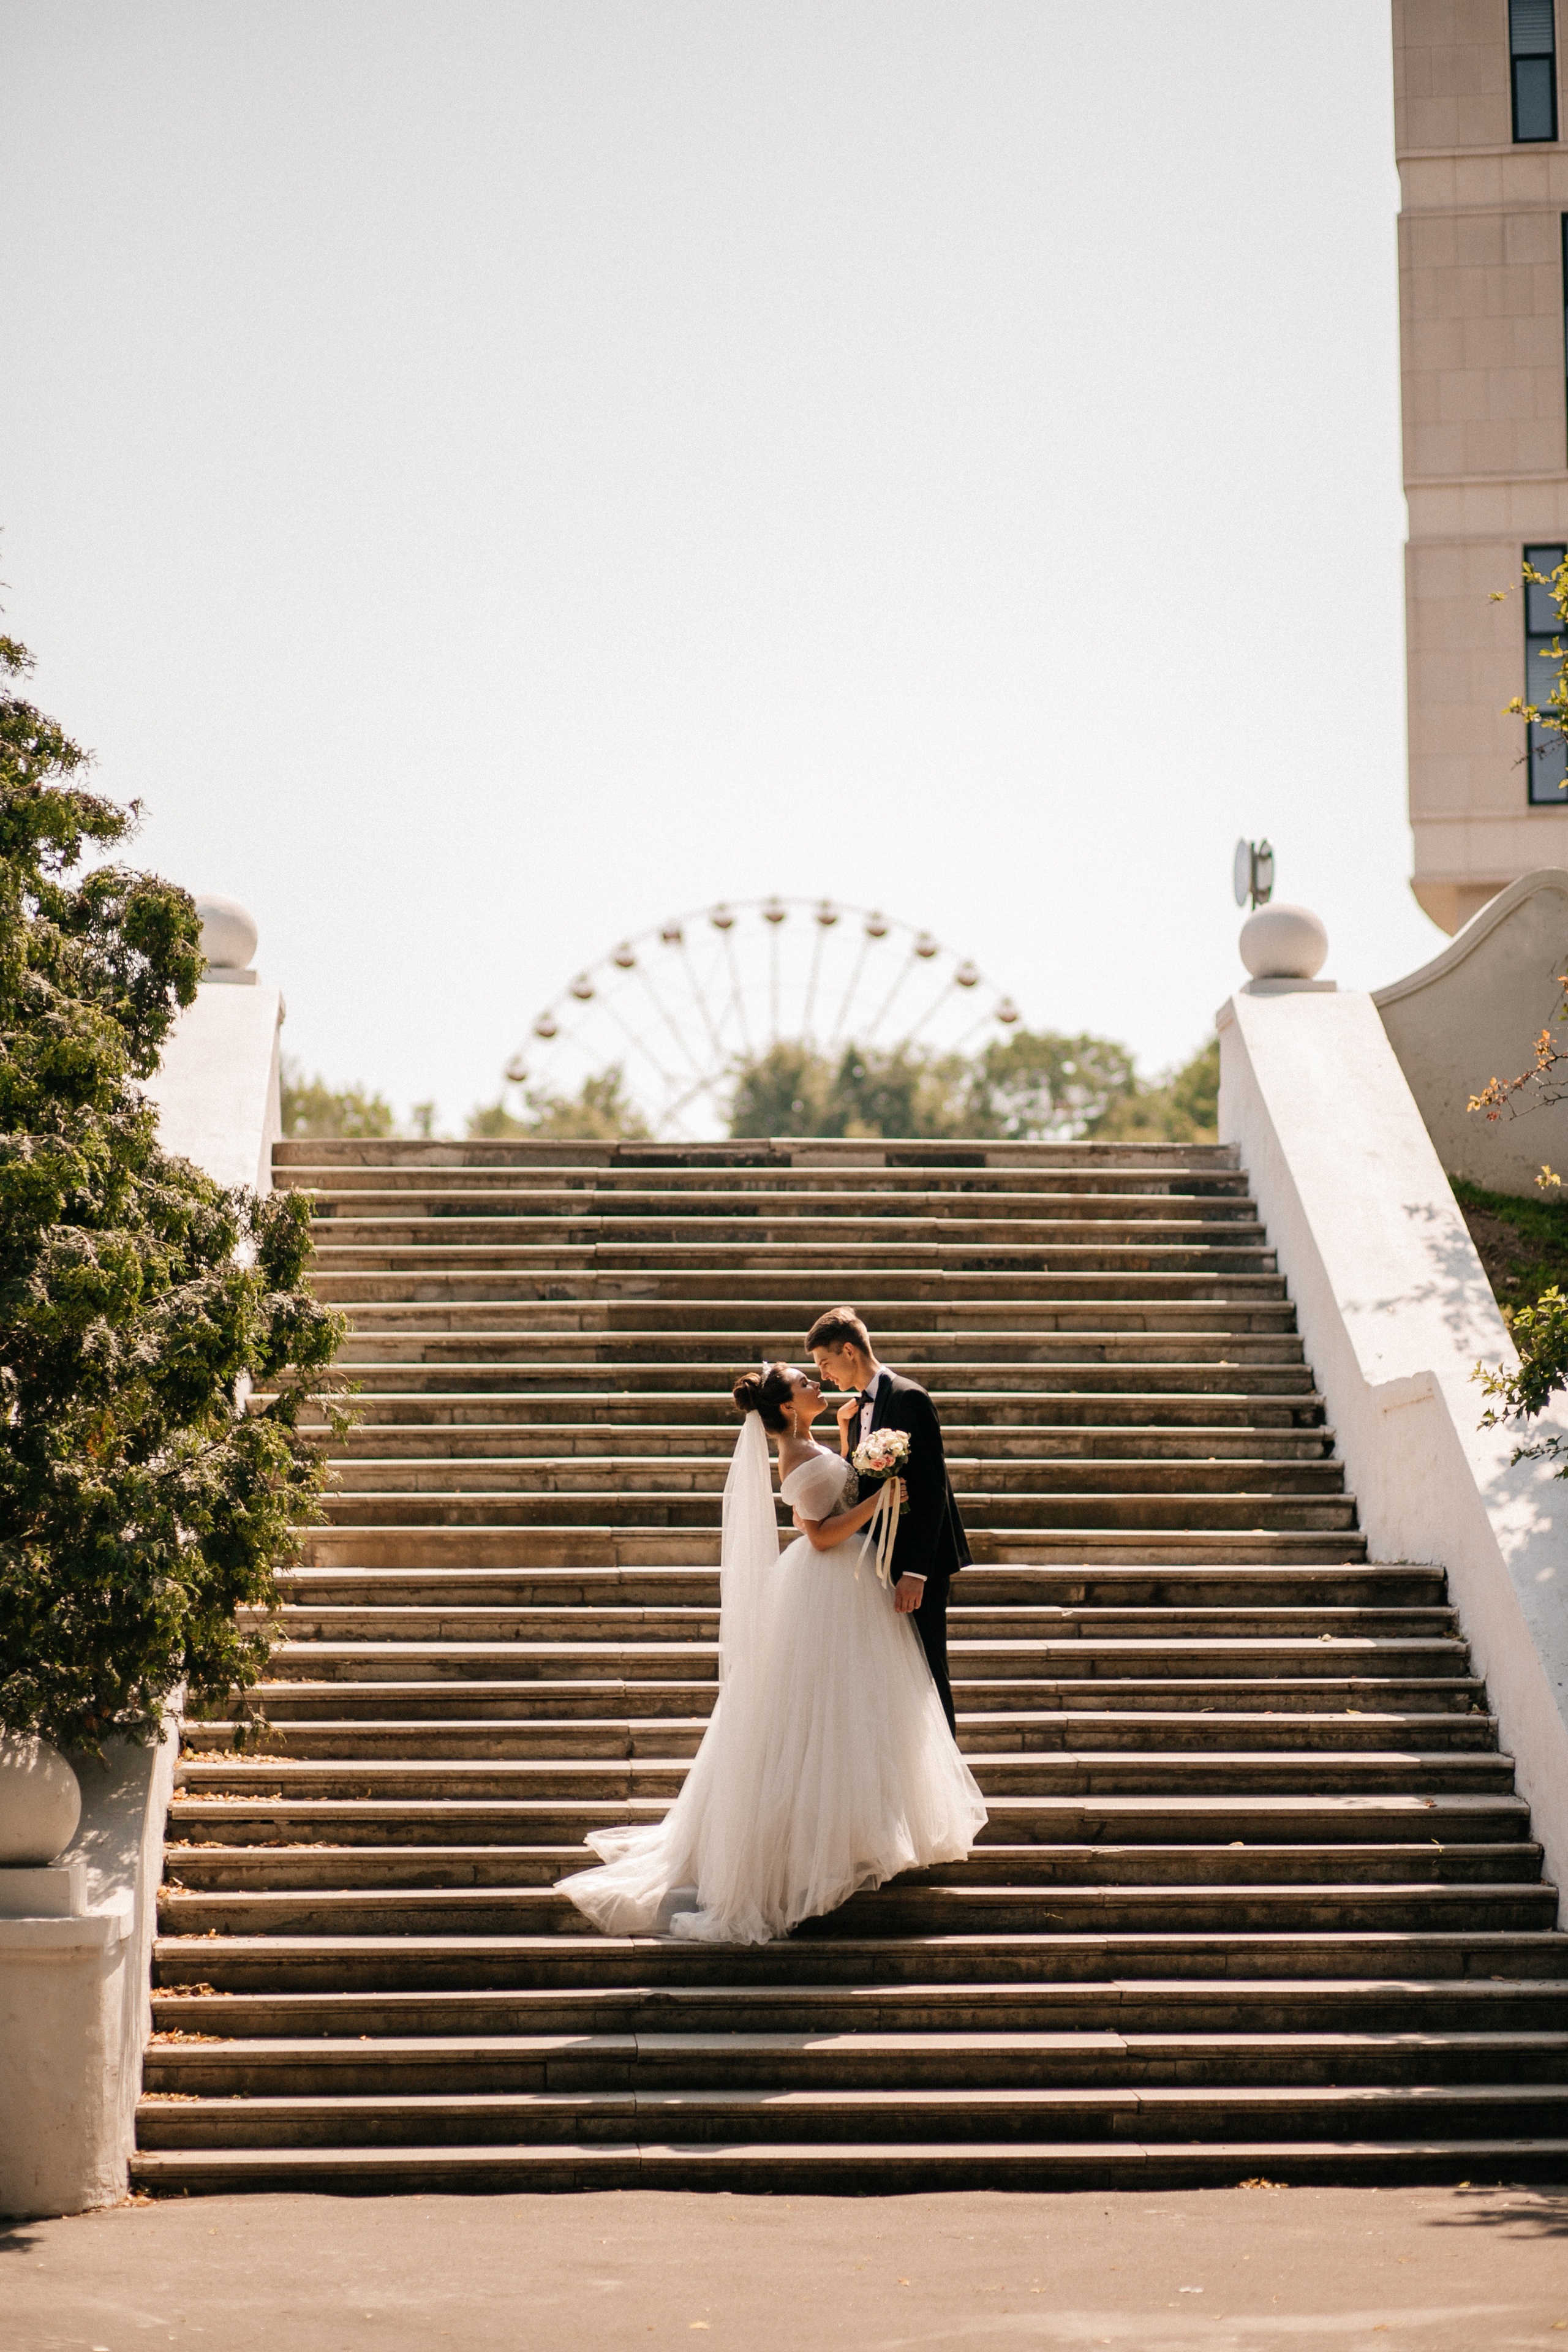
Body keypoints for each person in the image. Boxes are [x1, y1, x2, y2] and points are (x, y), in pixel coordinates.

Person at [556, 1362, 986, 1945]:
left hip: (842, 1585)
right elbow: (820, 1531)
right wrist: (881, 1499)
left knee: (854, 1711)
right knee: (822, 1713)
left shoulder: (807, 1443)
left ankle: (861, 1832)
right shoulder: (792, 1455)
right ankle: (821, 1848)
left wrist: (846, 1439)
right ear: (787, 1407)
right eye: (806, 1383)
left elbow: (834, 1487)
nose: (816, 1383)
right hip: (827, 1580)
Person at [805, 1304, 968, 1736]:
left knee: (930, 1670)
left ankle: (948, 1786)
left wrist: (916, 1572)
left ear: (849, 1351)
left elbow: (932, 1489)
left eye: (825, 1363)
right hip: (877, 1559)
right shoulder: (856, 1411)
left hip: (917, 1563)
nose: (823, 1375)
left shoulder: (908, 1397)